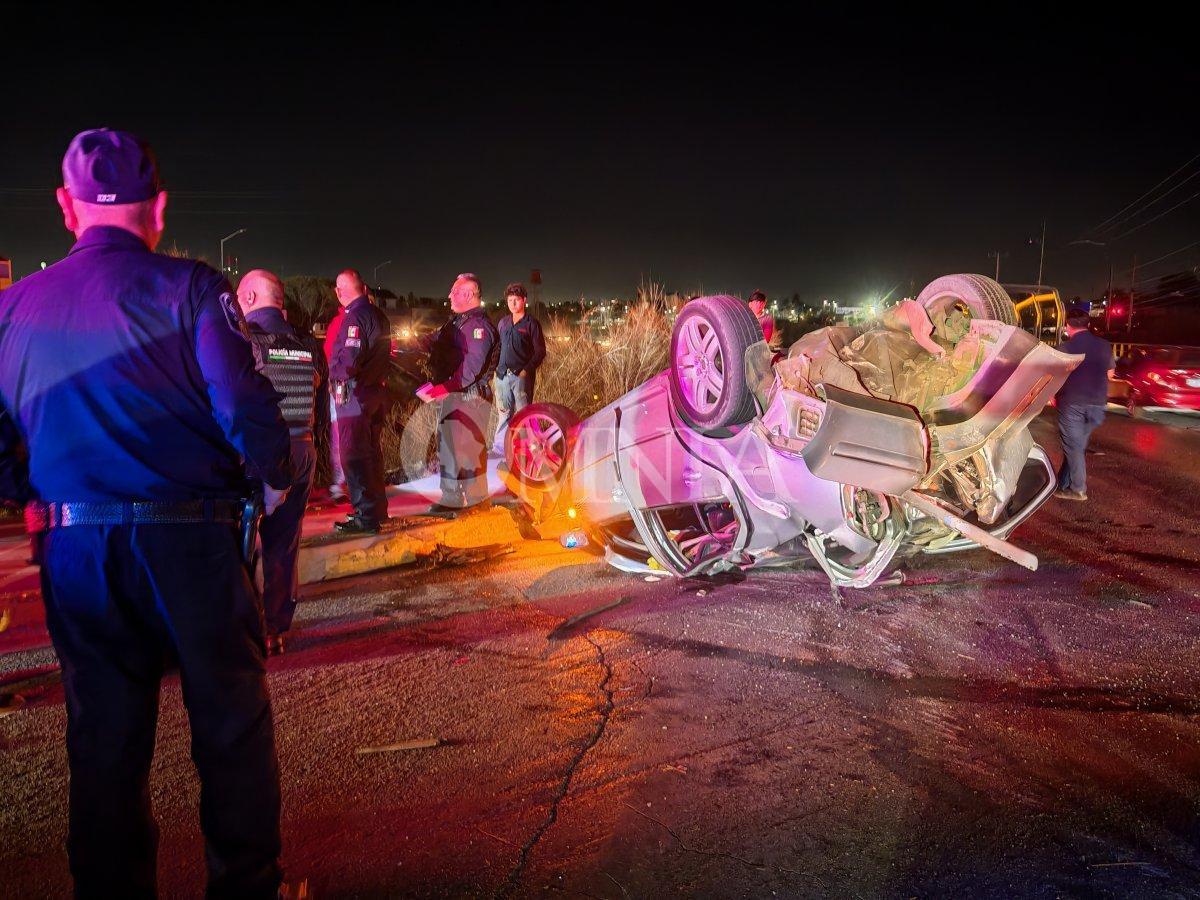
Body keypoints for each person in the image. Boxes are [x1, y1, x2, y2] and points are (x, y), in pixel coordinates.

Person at [0, 129, 292, 897]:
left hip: (77, 549)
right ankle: (246, 885)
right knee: (230, 727)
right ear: (158, 208)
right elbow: (244, 409)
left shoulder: (10, 309)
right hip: (191, 543)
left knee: (103, 742)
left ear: (65, 208)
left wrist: (29, 496)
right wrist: (281, 471)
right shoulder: (193, 289)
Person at [237, 269, 320, 655]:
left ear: (251, 299)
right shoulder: (305, 343)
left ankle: (240, 625)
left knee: (235, 539)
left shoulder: (245, 340)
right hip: (302, 447)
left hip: (257, 450)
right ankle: (276, 628)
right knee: (284, 542)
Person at [418, 273, 499, 516]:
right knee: (449, 448)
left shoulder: (478, 328)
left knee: (469, 451)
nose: (450, 295)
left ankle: (476, 504)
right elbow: (433, 341)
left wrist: (445, 387)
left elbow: (471, 367)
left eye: (454, 291)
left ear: (468, 294)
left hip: (470, 399)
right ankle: (451, 496)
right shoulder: (456, 323)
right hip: (453, 396)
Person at [329, 269, 392, 534]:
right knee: (372, 454)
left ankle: (365, 516)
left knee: (353, 455)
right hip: (376, 392)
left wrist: (333, 374)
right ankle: (377, 510)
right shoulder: (378, 314)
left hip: (355, 396)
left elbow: (349, 360)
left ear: (340, 291)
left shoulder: (355, 317)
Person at [1054, 313, 1114, 501]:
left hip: (1072, 403)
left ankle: (1078, 489)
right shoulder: (1104, 345)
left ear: (1068, 326)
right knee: (1076, 446)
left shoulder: (1066, 348)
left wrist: (1050, 396)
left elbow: (1054, 376)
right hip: (1097, 404)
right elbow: (1111, 374)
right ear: (1088, 325)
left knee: (1074, 447)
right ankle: (1061, 485)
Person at [493, 281, 546, 452]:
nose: (513, 303)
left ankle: (532, 448)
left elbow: (540, 352)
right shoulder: (503, 323)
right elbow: (498, 348)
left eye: (516, 300)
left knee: (525, 414)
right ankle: (501, 448)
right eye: (510, 300)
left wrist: (526, 370)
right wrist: (494, 370)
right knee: (504, 414)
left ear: (524, 300)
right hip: (502, 376)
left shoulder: (531, 324)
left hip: (521, 377)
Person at [322, 300, 347, 499]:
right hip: (344, 387)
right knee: (342, 435)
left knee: (340, 435)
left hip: (342, 386)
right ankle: (342, 484)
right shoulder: (340, 323)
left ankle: (341, 485)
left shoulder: (338, 322)